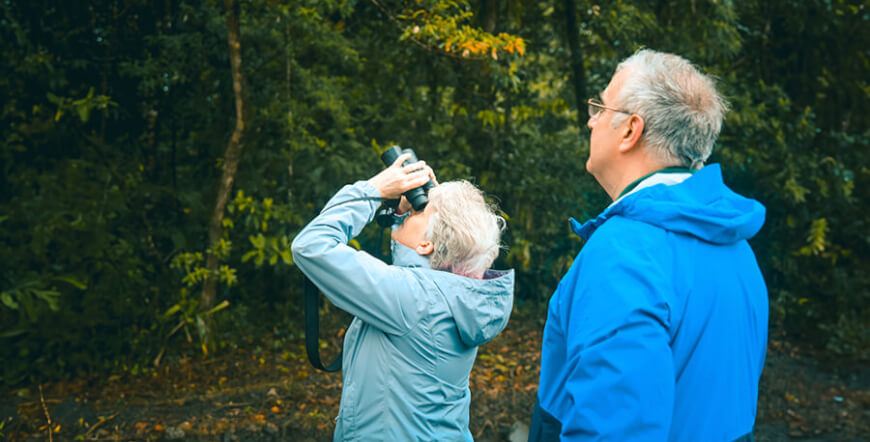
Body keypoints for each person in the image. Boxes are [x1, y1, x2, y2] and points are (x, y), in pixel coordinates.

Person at [530, 49, 768, 441]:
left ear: (630, 130)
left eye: (600, 108)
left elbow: (612, 430)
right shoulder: (737, 246)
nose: (591, 121)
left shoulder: (624, 254)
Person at [291, 153, 515, 441]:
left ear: (426, 244)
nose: (410, 212)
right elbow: (413, 262)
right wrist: (402, 214)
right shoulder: (450, 292)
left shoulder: (414, 299)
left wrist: (373, 190)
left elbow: (311, 245)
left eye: (418, 212)